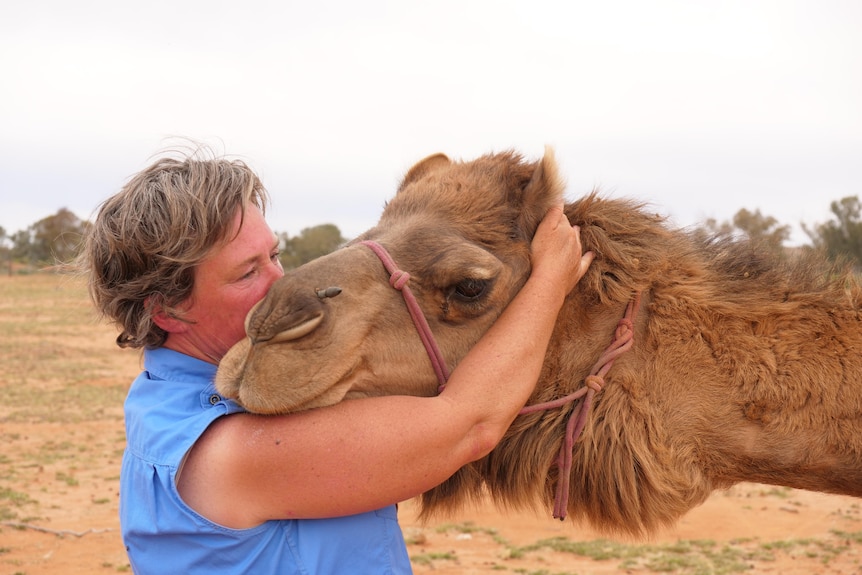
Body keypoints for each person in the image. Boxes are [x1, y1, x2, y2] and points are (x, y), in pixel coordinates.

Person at [79, 145, 594, 574]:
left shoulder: (170, 403)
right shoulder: (227, 453)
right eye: (246, 273)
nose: (280, 282)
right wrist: (550, 279)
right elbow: (469, 423)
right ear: (166, 309)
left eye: (274, 256)